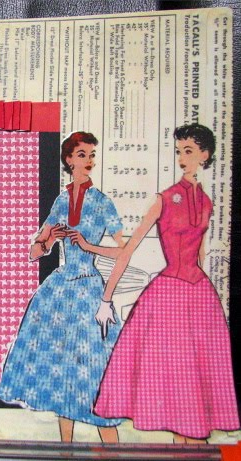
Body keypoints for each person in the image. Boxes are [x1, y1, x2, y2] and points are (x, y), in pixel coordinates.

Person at [92, 123, 240, 443]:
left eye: (189, 151)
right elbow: (128, 249)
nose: (182, 158)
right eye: (179, 152)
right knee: (172, 378)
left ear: (205, 155)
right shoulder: (164, 198)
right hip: (168, 293)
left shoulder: (207, 202)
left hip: (199, 295)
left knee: (196, 379)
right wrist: (106, 298)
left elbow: (200, 254)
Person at [0, 131, 125, 443]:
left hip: (90, 290)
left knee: (94, 372)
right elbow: (34, 252)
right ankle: (65, 450)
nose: (89, 161)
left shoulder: (102, 202)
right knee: (62, 373)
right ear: (69, 160)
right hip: (60, 290)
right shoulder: (61, 200)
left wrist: (88, 245)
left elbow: (124, 251)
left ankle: (113, 448)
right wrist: (48, 239)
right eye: (82, 155)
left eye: (92, 155)